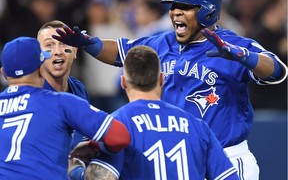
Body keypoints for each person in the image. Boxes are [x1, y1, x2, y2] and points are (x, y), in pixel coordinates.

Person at [52, 0, 288, 180]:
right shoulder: (161, 42)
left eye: (185, 6)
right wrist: (90, 44)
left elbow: (277, 71)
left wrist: (245, 57)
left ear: (208, 12)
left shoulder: (235, 45)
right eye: (173, 5)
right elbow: (121, 53)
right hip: (183, 156)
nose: (175, 11)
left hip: (227, 154)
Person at [68, 45, 240, 180]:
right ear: (162, 79)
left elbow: (102, 178)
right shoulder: (197, 125)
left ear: (123, 82)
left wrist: (76, 170)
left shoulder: (117, 126)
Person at [0, 37, 130, 179]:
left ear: (4, 73)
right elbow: (120, 137)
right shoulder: (61, 102)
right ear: (40, 69)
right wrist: (94, 146)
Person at [37, 20, 89, 149]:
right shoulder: (34, 95)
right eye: (49, 45)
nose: (57, 51)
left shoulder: (79, 88)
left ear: (75, 51)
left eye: (63, 44)